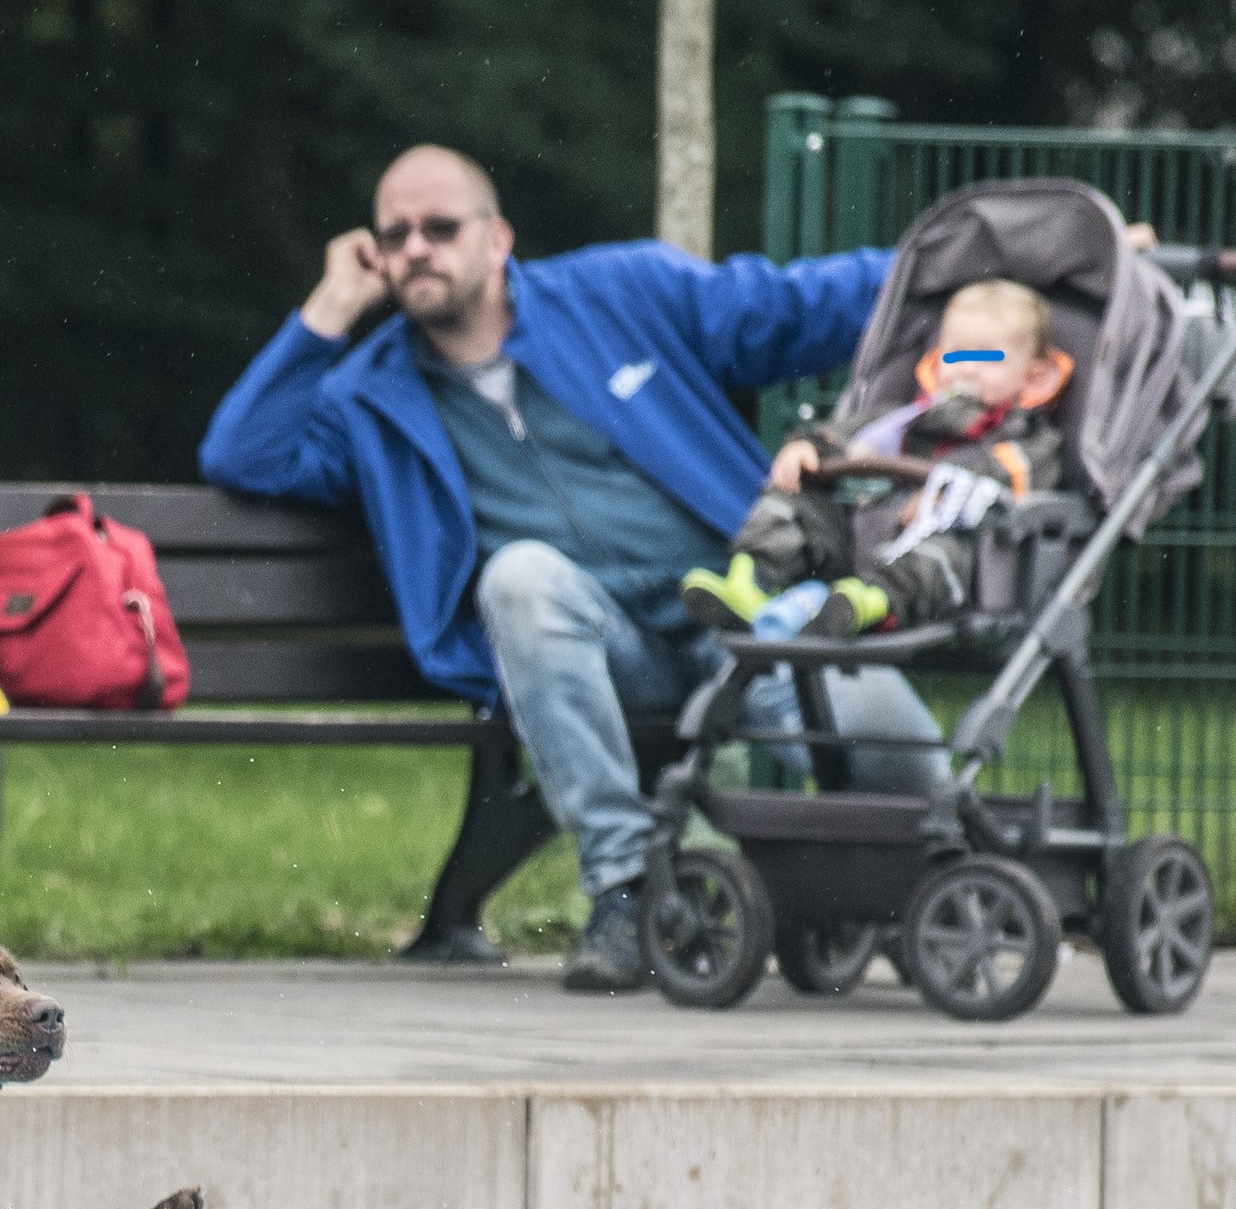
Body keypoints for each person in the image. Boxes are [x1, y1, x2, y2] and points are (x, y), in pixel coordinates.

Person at [198, 145, 943, 992]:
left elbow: (793, 306)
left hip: (740, 611)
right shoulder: (370, 395)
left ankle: (934, 896)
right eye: (392, 234)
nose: (414, 250)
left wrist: (966, 262)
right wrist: (331, 304)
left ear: (497, 238)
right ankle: (626, 891)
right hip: (589, 651)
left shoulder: (620, 293)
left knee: (905, 755)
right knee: (517, 574)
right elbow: (242, 452)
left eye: (439, 228)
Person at [682, 278, 1069, 639]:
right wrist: (810, 447)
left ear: (1033, 377)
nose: (967, 367)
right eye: (957, 354)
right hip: (857, 539)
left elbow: (1012, 470)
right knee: (793, 495)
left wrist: (948, 490)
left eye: (990, 359)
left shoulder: (1027, 438)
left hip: (950, 562)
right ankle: (751, 582)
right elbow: (846, 435)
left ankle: (870, 602)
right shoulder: (903, 417)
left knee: (944, 550)